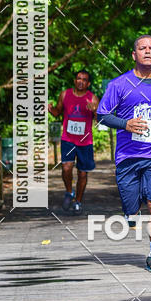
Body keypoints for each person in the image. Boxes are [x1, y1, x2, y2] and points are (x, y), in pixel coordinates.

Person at [97, 35, 151, 272]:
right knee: (131, 207)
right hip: (128, 156)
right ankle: (130, 213)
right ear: (134, 55)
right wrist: (126, 124)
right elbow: (102, 115)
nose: (147, 51)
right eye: (142, 48)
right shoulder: (119, 84)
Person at [48, 70, 98, 214]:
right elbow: (58, 112)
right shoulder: (65, 94)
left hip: (85, 141)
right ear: (75, 81)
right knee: (66, 168)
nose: (81, 81)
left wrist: (95, 111)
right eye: (78, 79)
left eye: (84, 79)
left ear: (88, 83)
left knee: (82, 174)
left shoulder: (92, 98)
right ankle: (69, 192)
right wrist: (51, 109)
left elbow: (100, 120)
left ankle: (78, 201)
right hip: (68, 139)